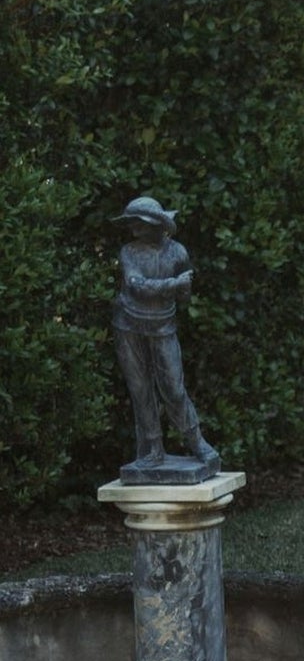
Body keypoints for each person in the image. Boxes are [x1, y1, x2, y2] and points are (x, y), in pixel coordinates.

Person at [112, 196, 220, 472]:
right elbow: (136, 285)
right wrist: (175, 284)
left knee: (173, 386)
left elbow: (184, 295)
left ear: (155, 224)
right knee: (140, 389)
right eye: (131, 223)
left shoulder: (178, 252)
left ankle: (197, 442)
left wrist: (184, 287)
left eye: (138, 223)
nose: (133, 229)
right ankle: (153, 449)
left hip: (163, 326)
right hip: (129, 325)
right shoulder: (129, 252)